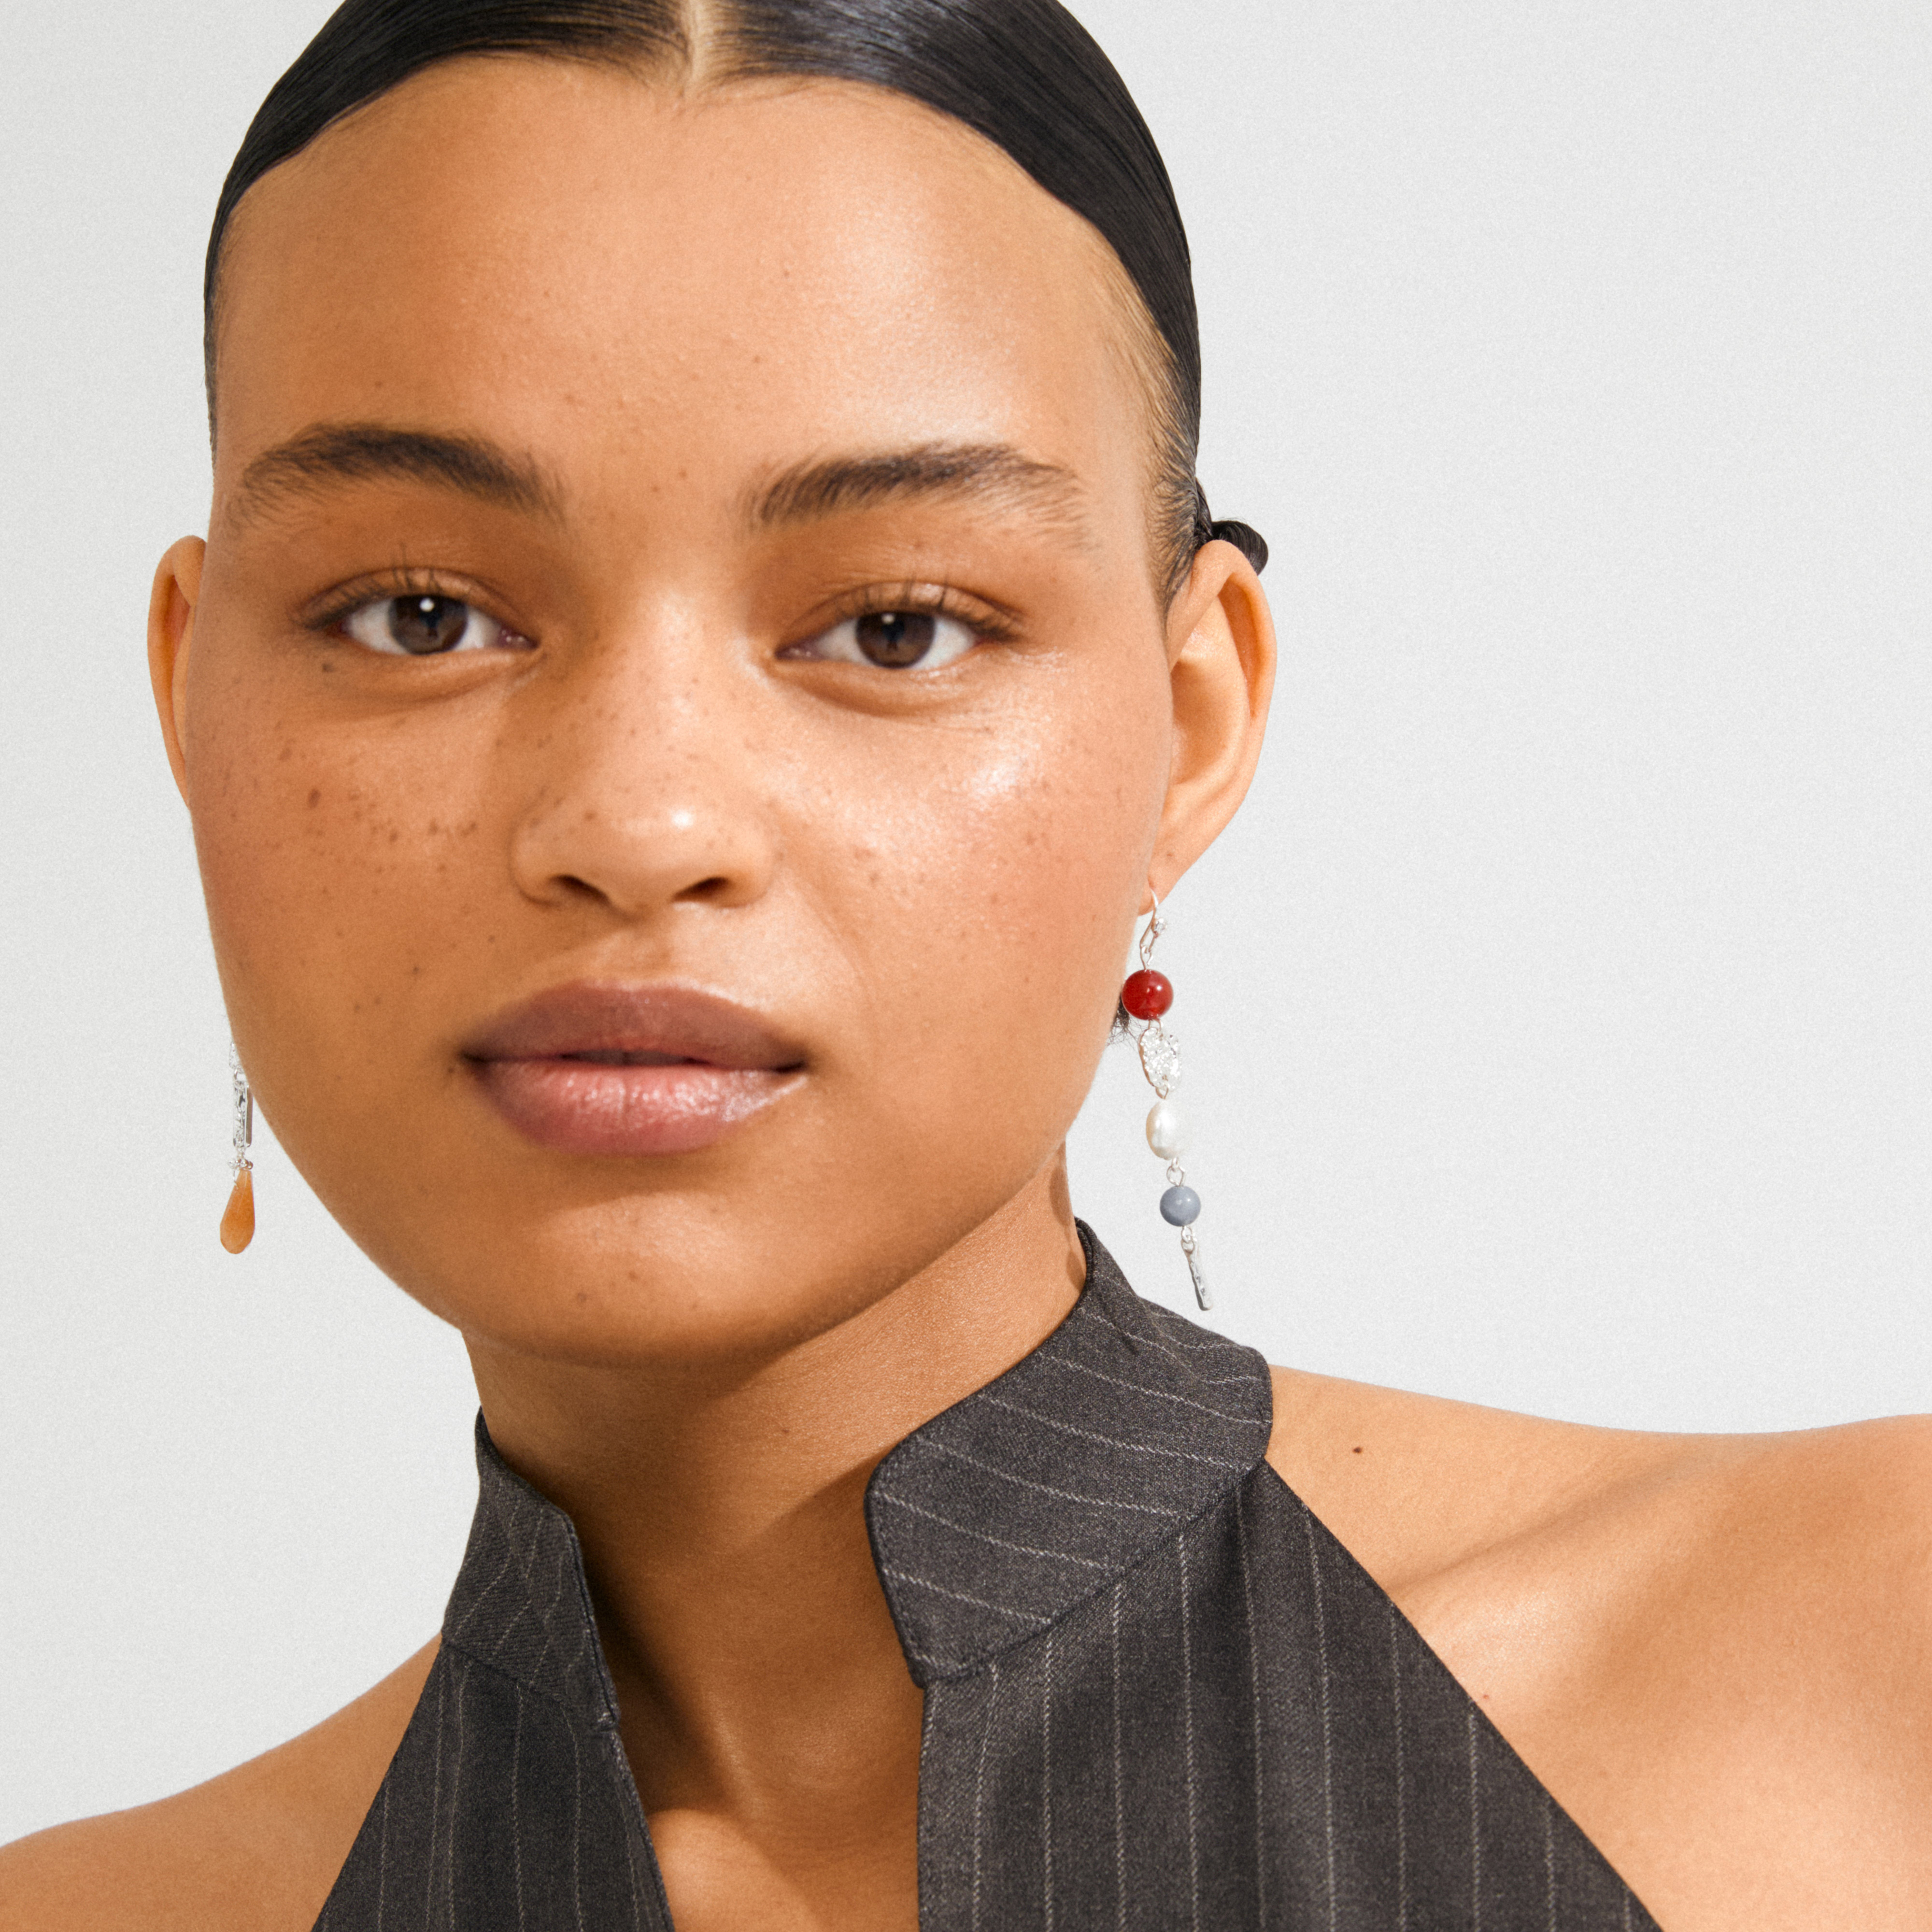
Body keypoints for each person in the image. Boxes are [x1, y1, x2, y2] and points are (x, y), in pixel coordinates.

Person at [2, 2, 1927, 1927]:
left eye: (896, 629)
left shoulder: (1867, 1666)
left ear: (1190, 723)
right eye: (420, 616)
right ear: (189, 696)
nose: (641, 821)